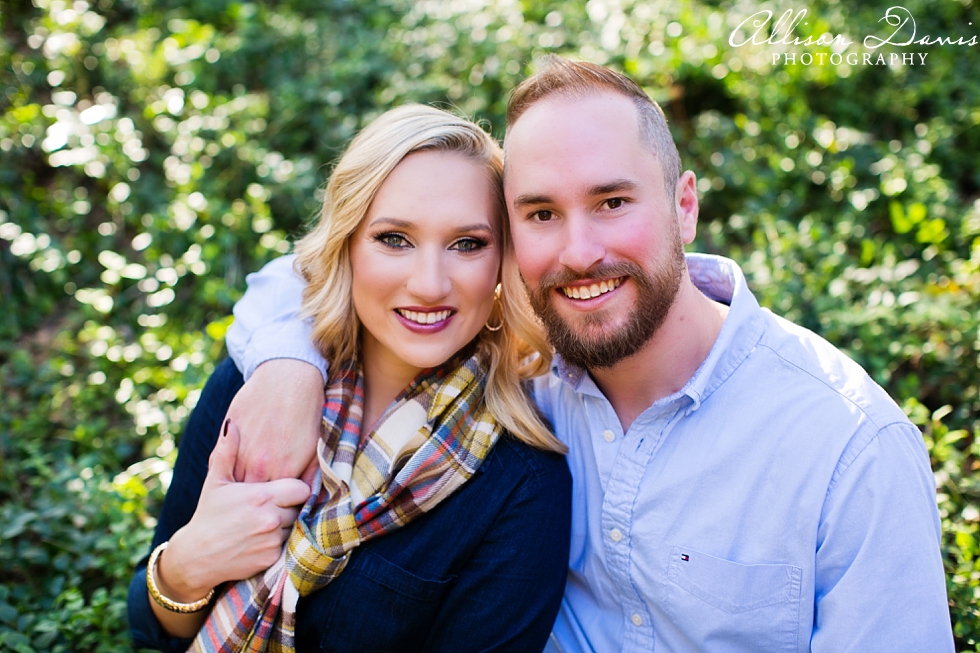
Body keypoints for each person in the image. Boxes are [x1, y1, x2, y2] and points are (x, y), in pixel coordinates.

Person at [218, 57, 955, 652]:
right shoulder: (520, 379)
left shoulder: (848, 447)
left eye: (612, 202)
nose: (579, 252)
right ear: (508, 240)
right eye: (541, 214)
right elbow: (330, 268)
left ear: (685, 205)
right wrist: (289, 363)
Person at [127, 104, 573, 653]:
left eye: (467, 244)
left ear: (501, 259)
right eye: (394, 239)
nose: (430, 284)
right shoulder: (254, 394)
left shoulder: (525, 484)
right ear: (347, 244)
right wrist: (186, 569)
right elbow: (150, 629)